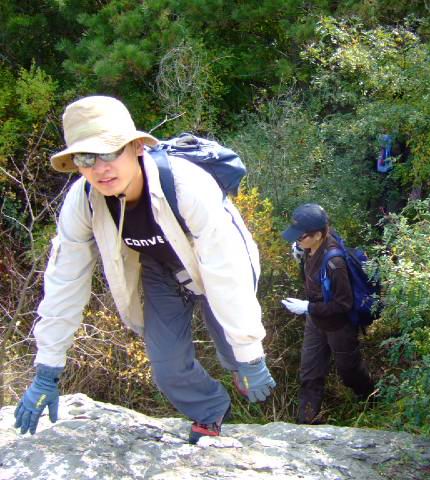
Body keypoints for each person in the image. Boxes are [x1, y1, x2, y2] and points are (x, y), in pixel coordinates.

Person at [13, 95, 275, 444]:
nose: (100, 168)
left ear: (136, 147)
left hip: (212, 266)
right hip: (161, 271)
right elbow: (65, 279)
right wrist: (47, 369)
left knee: (234, 351)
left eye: (109, 152)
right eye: (86, 158)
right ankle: (209, 410)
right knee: (167, 367)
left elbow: (228, 271)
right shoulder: (84, 200)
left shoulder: (186, 185)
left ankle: (239, 365)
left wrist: (250, 356)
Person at [281, 204, 374, 424]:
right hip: (316, 321)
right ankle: (306, 423)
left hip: (339, 326)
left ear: (317, 235)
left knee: (349, 373)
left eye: (300, 237)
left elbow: (344, 304)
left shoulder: (335, 263)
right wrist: (301, 256)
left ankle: (372, 401)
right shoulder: (309, 247)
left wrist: (308, 308)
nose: (296, 240)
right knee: (309, 373)